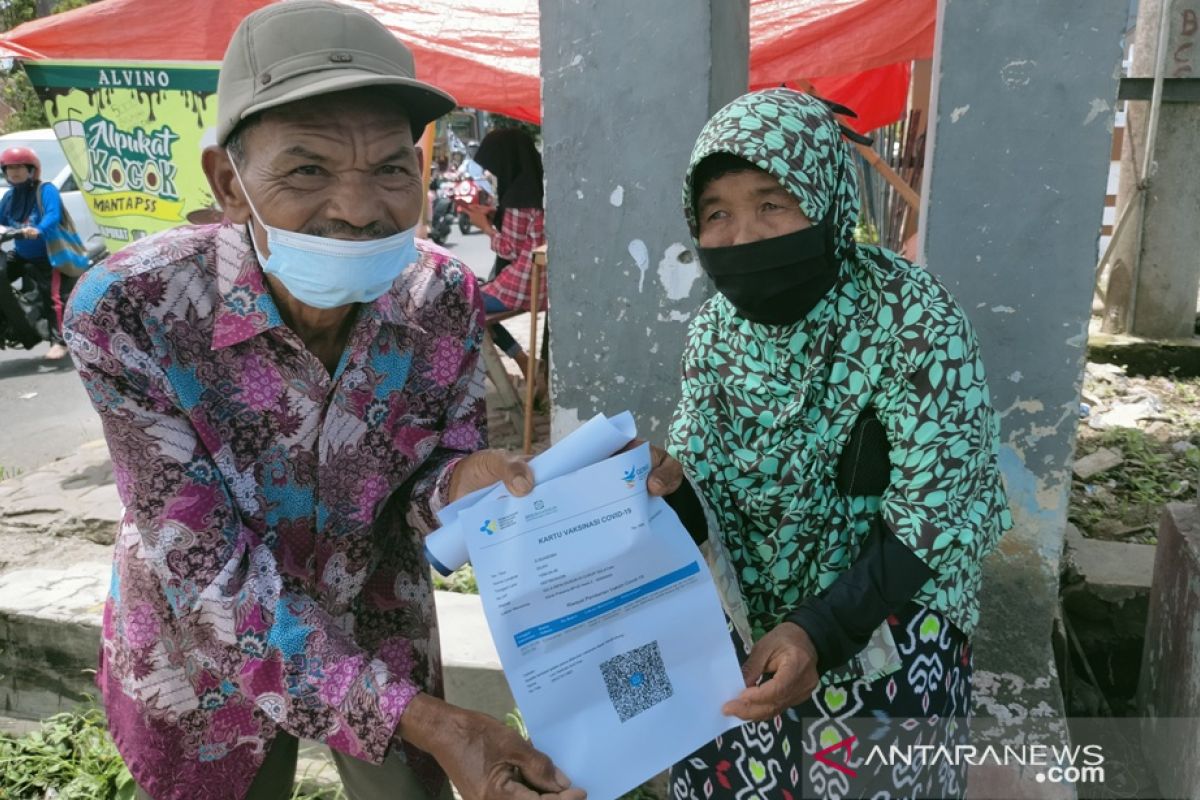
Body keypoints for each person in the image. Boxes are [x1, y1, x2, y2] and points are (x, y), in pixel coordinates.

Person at [64, 3, 678, 798]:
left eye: (391, 168)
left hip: (375, 614)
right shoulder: (130, 309)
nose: (358, 208)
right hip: (205, 650)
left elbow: (430, 479)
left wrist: (477, 484)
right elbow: (211, 577)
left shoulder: (441, 296)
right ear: (229, 182)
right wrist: (441, 723)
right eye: (308, 170)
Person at [661, 89, 1012, 799]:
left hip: (888, 608)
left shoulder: (912, 316)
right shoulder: (715, 334)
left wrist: (819, 631)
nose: (744, 235)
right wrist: (662, 495)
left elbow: (934, 509)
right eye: (717, 214)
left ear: (826, 201)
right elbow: (706, 489)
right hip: (750, 620)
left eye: (772, 203)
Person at [462, 129, 546, 382]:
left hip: (522, 287)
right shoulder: (538, 188)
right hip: (541, 283)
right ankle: (526, 362)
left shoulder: (518, 199)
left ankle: (522, 361)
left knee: (461, 305)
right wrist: (495, 213)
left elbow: (508, 249)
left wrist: (484, 226)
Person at [0, 146, 77, 360]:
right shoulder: (9, 197)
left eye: (19, 167)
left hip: (49, 255)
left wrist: (39, 229)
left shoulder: (46, 190)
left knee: (53, 297)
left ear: (32, 169)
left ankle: (60, 342)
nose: (14, 172)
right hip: (22, 254)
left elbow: (52, 215)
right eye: (9, 168)